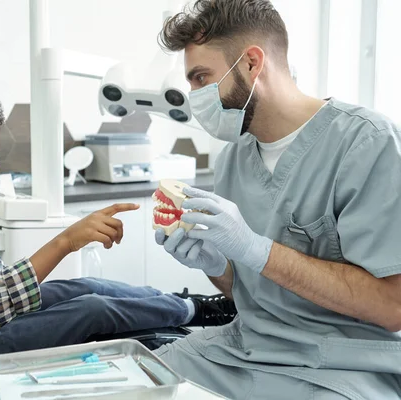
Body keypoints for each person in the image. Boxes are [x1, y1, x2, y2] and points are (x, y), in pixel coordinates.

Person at [0, 75, 233, 381]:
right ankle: (192, 318)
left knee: (87, 287)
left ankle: (192, 306)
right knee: (93, 309)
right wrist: (66, 241)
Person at [153, 1, 401, 399]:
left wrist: (257, 249)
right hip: (243, 351)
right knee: (138, 381)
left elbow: (393, 307)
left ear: (252, 63)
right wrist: (217, 266)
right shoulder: (233, 158)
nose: (194, 96)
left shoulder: (367, 143)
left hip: (343, 366)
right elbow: (254, 294)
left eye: (202, 78)